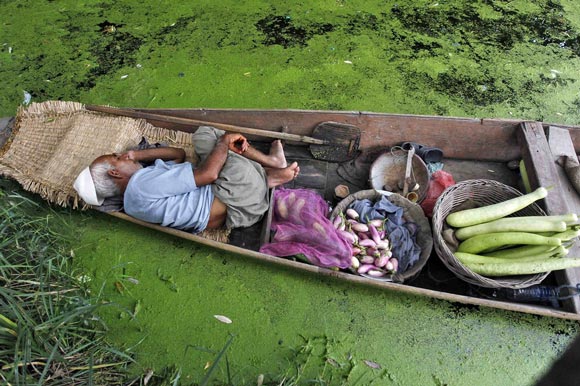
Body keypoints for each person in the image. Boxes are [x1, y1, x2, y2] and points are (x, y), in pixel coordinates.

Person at [73, 126, 300, 233]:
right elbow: (207, 175)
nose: (121, 154)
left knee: (204, 137)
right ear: (115, 173)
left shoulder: (132, 203)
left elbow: (179, 155)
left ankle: (267, 179)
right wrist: (223, 144)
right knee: (217, 140)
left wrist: (138, 155)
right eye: (116, 158)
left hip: (243, 212)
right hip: (238, 197)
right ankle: (273, 165)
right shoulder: (142, 185)